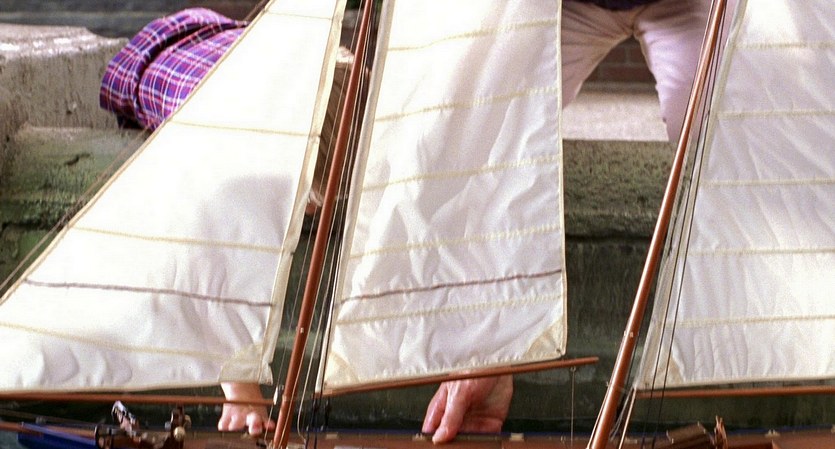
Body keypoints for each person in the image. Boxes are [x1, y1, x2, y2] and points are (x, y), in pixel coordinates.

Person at [100, 0, 712, 442]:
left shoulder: (293, 136)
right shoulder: (237, 151)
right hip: (189, 65)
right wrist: (240, 387)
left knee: (722, 142)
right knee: (474, 124)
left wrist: (241, 387)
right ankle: (489, 361)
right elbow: (199, 223)